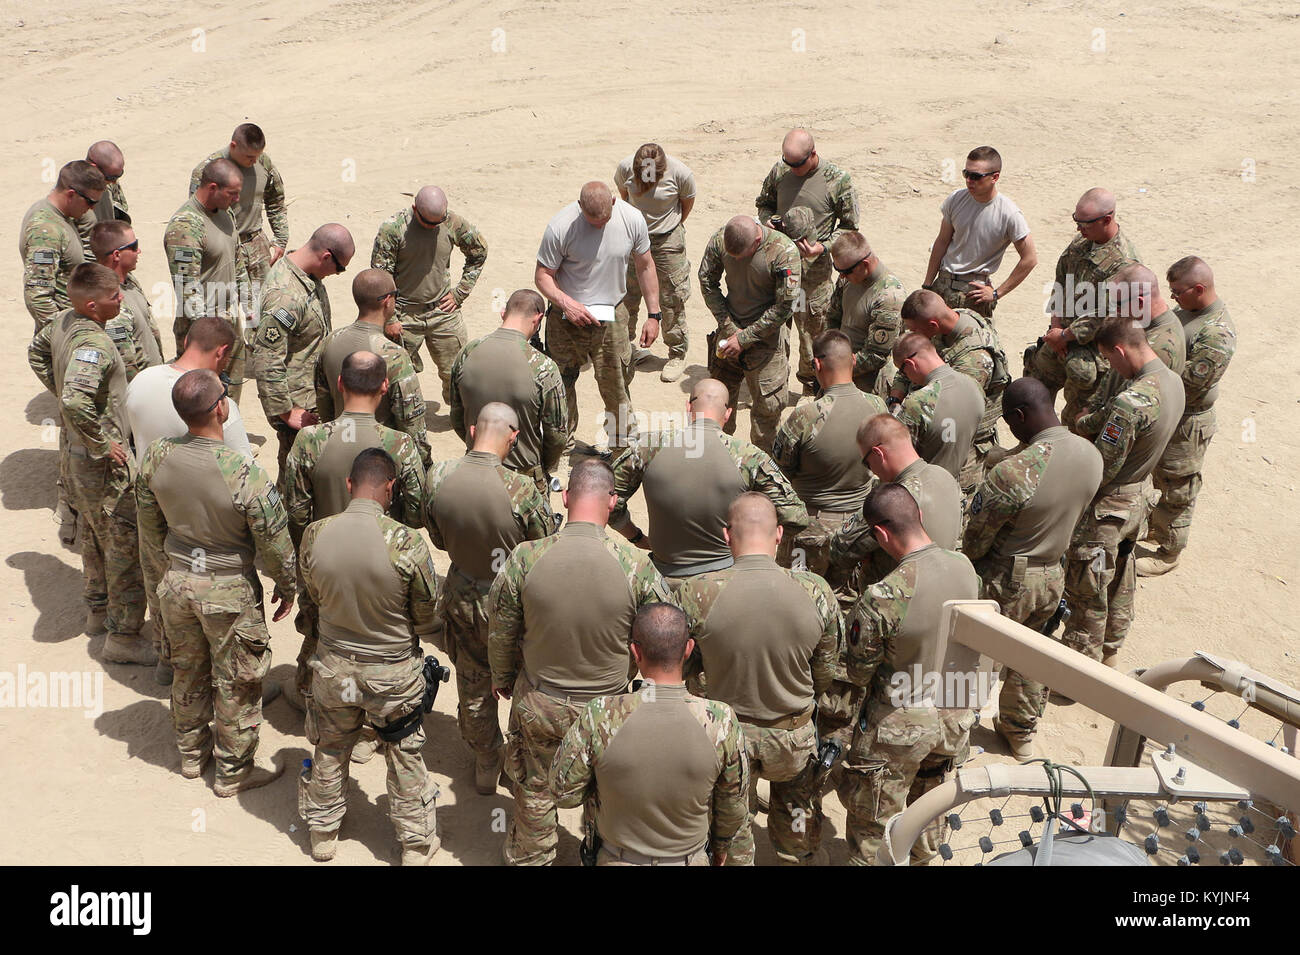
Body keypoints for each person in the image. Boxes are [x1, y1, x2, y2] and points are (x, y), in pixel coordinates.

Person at [487, 459, 672, 865]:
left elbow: (500, 626)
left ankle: (531, 857)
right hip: (608, 710)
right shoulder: (637, 567)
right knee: (606, 791)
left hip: (540, 701)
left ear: (566, 497)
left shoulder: (524, 558)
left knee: (535, 790)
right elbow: (664, 637)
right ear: (613, 501)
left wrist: (502, 677)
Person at [135, 369, 296, 794]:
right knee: (238, 680)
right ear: (221, 407)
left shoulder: (155, 456)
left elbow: (150, 530)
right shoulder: (242, 471)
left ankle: (191, 755)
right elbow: (273, 541)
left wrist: (165, 574)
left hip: (177, 584)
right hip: (228, 591)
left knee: (188, 669)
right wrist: (288, 585)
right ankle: (234, 770)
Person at [676, 494, 839, 865]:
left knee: (731, 836)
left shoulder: (697, 591)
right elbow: (825, 671)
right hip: (793, 740)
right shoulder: (816, 592)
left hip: (728, 740)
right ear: (779, 534)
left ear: (725, 534)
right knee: (798, 830)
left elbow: (683, 665)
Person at [299, 448, 442, 865]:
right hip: (393, 674)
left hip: (333, 668)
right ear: (391, 487)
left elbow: (311, 593)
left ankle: (322, 834)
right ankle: (415, 845)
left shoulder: (316, 533)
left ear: (349, 485)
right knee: (404, 751)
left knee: (330, 745)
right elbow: (426, 612)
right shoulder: (407, 543)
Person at [837, 483, 980, 865]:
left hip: (898, 726)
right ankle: (922, 859)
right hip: (954, 711)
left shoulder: (883, 595)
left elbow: (858, 669)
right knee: (930, 803)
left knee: (875, 823)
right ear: (919, 516)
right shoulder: (964, 567)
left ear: (881, 534)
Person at [962, 378, 1103, 760]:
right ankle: (1020, 733)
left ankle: (958, 733)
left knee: (977, 655)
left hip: (1006, 579)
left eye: (1010, 421)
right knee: (1032, 658)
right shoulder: (1091, 455)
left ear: (1020, 416)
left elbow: (975, 541)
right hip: (1053, 573)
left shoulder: (1015, 472)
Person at [549, 603, 749, 866]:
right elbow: (733, 806)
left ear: (635, 652)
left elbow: (562, 792)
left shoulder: (600, 714)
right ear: (688, 649)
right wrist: (721, 846)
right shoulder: (722, 721)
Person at [283, 351, 426, 718]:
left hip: (324, 559)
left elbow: (297, 513)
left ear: (340, 385)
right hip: (381, 565)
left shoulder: (309, 441)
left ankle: (311, 690)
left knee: (321, 632)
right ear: (384, 387)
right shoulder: (400, 445)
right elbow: (414, 513)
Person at [424, 403, 554, 793]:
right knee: (518, 681)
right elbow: (542, 548)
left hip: (462, 594)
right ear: (513, 438)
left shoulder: (440, 476)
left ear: (470, 429)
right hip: (510, 603)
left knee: (473, 681)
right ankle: (518, 764)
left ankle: (485, 760)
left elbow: (437, 536)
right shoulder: (522, 490)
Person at [28, 263, 151, 664]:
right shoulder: (93, 344)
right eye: (116, 296)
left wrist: (58, 384)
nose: (122, 300)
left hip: (74, 455)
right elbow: (74, 401)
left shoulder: (63, 320)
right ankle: (124, 637)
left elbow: (36, 352)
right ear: (95, 305)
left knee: (94, 537)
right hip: (98, 464)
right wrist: (103, 443)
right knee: (122, 545)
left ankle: (97, 611)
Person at [822, 414, 963, 747]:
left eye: (867, 462)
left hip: (896, 608)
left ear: (878, 454)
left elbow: (841, 548)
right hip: (943, 597)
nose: (870, 471)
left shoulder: (897, 495)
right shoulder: (945, 478)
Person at [1060, 314, 1184, 666]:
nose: (1110, 367)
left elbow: (1102, 465)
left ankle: (1077, 668)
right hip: (1139, 497)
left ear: (1119, 350)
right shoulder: (1172, 381)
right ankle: (1111, 649)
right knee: (1119, 578)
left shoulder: (1132, 402)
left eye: (1109, 359)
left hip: (1108, 511)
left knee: (1088, 587)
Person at [610, 378, 808, 588]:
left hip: (662, 582)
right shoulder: (748, 457)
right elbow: (796, 516)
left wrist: (637, 537)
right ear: (728, 413)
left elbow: (607, 499)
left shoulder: (649, 448)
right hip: (722, 586)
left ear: (688, 408)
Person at [536, 181, 659, 453]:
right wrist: (567, 304)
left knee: (616, 385)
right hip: (566, 319)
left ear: (614, 202)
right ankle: (561, 444)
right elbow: (543, 275)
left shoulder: (631, 219)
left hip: (612, 317)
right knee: (560, 384)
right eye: (593, 222)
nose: (599, 227)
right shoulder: (561, 226)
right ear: (579, 207)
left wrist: (654, 314)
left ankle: (622, 445)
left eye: (604, 221)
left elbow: (645, 265)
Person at [1138, 256, 1236, 576]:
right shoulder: (1187, 312)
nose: (1173, 298)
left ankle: (1169, 552)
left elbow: (1191, 385)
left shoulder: (1217, 333)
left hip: (1188, 420)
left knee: (1179, 486)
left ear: (1199, 289)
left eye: (1178, 292)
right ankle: (1155, 526)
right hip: (1168, 408)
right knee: (1158, 475)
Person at [770, 331, 886, 575]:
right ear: (853, 360)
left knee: (801, 599)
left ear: (817, 364)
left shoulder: (805, 416)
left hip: (809, 530)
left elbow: (778, 474)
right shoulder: (877, 407)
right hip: (858, 527)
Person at [1024, 188, 1142, 423]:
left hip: (1091, 351)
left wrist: (1066, 335)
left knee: (1076, 417)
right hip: (1059, 339)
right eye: (1076, 221)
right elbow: (1061, 282)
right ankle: (1030, 448)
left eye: (1084, 224)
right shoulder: (1082, 242)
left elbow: (1107, 314)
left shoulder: (1125, 263)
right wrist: (1054, 328)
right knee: (1033, 392)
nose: (1078, 229)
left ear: (1106, 219)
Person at [755, 128, 860, 392]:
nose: (791, 168)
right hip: (777, 266)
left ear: (813, 154)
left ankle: (809, 385)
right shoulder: (781, 171)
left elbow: (849, 227)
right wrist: (767, 219)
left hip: (812, 274)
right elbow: (764, 203)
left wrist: (822, 248)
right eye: (787, 162)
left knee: (812, 333)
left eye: (797, 164)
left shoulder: (837, 180)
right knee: (774, 324)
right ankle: (774, 382)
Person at [252, 223, 354, 480]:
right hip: (299, 403)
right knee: (297, 477)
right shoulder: (286, 296)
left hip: (311, 394)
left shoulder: (306, 274)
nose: (339, 274)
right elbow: (266, 357)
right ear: (326, 257)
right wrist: (287, 411)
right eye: (340, 268)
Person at [371, 185, 488, 403]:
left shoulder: (451, 222)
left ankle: (459, 420)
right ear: (415, 209)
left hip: (443, 312)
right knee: (395, 378)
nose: (434, 226)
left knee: (458, 373)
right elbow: (381, 275)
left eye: (439, 221)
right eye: (429, 222)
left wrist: (460, 293)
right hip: (404, 314)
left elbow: (479, 252)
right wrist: (391, 317)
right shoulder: (394, 229)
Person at [449, 289, 570, 500]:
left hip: (474, 468)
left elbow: (457, 416)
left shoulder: (468, 352)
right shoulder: (544, 367)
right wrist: (542, 464)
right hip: (524, 479)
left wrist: (476, 444)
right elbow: (557, 435)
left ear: (503, 312)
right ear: (538, 319)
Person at [698, 215, 801, 451]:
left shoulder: (784, 252)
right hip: (728, 333)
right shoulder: (720, 240)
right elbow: (706, 281)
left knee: (767, 415)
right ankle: (717, 462)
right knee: (716, 406)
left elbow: (785, 307)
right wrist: (730, 328)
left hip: (767, 342)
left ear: (757, 239)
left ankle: (762, 473)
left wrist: (744, 338)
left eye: (741, 257)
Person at [892, 289, 1010, 491]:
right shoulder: (948, 320)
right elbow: (911, 357)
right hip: (938, 412)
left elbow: (955, 407)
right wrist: (895, 398)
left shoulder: (974, 359)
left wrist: (911, 410)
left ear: (932, 326)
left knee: (955, 492)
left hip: (963, 438)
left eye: (915, 331)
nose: (913, 335)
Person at [315, 268, 430, 468]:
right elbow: (411, 422)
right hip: (379, 460)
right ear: (387, 301)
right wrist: (424, 463)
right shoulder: (393, 355)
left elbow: (323, 402)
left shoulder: (330, 342)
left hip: (338, 450)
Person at [922, 146, 1037, 321]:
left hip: (973, 295)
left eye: (976, 176)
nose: (969, 180)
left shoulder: (1009, 213)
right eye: (965, 174)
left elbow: (1030, 259)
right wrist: (928, 285)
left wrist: (997, 293)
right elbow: (942, 242)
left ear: (995, 177)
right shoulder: (956, 199)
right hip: (943, 284)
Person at [189, 123, 289, 317]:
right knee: (222, 310)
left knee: (264, 306)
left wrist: (280, 240)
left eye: (258, 156)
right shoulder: (207, 171)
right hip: (224, 245)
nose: (254, 161)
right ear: (233, 146)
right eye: (250, 157)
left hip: (256, 244)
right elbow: (198, 215)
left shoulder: (263, 163)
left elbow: (276, 201)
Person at [1074, 263, 1187, 436]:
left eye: (1118, 304)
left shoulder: (1159, 348)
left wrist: (1088, 424)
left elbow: (1127, 408)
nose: (1115, 311)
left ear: (1140, 302)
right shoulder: (1142, 325)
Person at [616, 143, 696, 380]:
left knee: (672, 296)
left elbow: (686, 203)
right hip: (632, 238)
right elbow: (624, 197)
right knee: (626, 293)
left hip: (667, 240)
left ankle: (676, 354)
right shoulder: (625, 168)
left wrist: (668, 225)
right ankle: (626, 347)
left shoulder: (681, 174)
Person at [165, 159, 242, 390]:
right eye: (232, 193)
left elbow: (237, 263)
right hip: (204, 334)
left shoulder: (225, 213)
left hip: (228, 322)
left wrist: (249, 309)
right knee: (203, 398)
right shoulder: (186, 226)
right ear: (212, 188)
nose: (237, 200)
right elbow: (188, 292)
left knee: (230, 394)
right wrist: (210, 340)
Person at [21, 160, 104, 330]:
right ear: (71, 194)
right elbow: (38, 296)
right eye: (90, 202)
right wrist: (63, 335)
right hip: (64, 332)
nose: (92, 209)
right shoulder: (46, 230)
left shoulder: (62, 218)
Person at [891, 333, 984, 481]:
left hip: (924, 491)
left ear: (910, 364)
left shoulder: (918, 402)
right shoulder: (975, 386)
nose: (906, 377)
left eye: (903, 371)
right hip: (959, 486)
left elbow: (898, 462)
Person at [826, 231, 904, 395]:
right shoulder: (848, 277)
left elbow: (876, 355)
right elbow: (833, 317)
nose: (841, 276)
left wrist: (838, 368)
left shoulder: (888, 296)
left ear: (865, 264)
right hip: (840, 371)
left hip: (867, 384)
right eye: (837, 269)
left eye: (846, 271)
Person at [90, 220, 163, 377]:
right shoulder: (110, 302)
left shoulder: (129, 280)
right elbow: (126, 368)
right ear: (117, 255)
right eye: (134, 247)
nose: (139, 251)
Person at [79, 140, 131, 239]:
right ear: (94, 168)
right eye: (111, 178)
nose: (114, 182)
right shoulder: (74, 192)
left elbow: (121, 212)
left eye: (119, 175)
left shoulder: (108, 180)